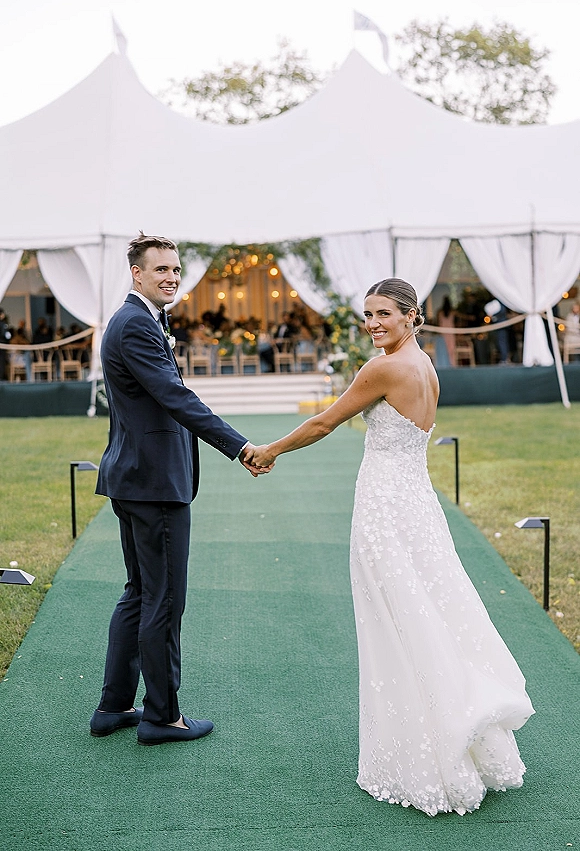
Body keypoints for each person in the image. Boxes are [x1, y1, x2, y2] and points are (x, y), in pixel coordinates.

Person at [248, 278, 534, 816]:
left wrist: (272, 449)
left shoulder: (383, 367)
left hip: (385, 511)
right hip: (418, 507)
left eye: (384, 314)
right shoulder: (425, 367)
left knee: (398, 623)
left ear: (411, 316)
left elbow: (325, 422)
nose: (373, 323)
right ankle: (451, 734)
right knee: (425, 618)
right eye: (368, 314)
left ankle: (425, 755)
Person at [90, 233, 271, 746]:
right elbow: (176, 398)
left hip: (136, 476)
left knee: (140, 592)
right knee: (163, 599)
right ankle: (161, 716)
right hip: (151, 483)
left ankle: (114, 707)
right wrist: (239, 447)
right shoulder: (134, 326)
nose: (171, 277)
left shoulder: (142, 320)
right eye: (161, 269)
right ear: (137, 273)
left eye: (175, 269)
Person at [436, 295, 456, 366]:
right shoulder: (452, 312)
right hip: (450, 332)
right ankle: (451, 364)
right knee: (451, 349)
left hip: (443, 332)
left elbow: (438, 323)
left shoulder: (440, 312)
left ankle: (447, 364)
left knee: (444, 349)